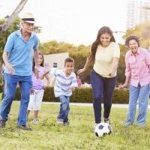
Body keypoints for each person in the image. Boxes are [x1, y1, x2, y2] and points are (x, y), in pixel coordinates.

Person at [0, 12, 39, 130]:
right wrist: (8, 65)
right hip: (11, 72)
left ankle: (22, 123)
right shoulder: (13, 36)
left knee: (26, 96)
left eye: (32, 25)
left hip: (26, 73)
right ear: (21, 24)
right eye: (28, 24)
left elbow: (36, 51)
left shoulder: (34, 38)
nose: (30, 27)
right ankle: (2, 119)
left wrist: (36, 66)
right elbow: (5, 54)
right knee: (9, 96)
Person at [78, 26, 120, 128]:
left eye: (107, 38)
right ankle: (97, 122)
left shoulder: (115, 46)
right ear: (99, 37)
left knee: (107, 100)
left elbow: (115, 61)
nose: (105, 40)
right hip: (97, 74)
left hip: (111, 76)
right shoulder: (95, 45)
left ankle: (106, 118)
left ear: (110, 37)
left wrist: (112, 71)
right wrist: (84, 69)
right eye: (102, 38)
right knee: (97, 96)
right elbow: (91, 58)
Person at [119, 35, 150, 127]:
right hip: (134, 82)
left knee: (142, 102)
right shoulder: (128, 55)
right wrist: (125, 83)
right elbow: (128, 70)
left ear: (138, 43)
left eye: (134, 43)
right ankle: (128, 122)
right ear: (128, 45)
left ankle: (140, 123)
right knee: (132, 102)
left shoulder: (145, 52)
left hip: (145, 80)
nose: (133, 45)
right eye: (131, 44)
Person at [50, 57, 78, 125]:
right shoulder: (60, 72)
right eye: (67, 66)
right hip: (59, 90)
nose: (69, 68)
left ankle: (65, 120)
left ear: (73, 67)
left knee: (67, 107)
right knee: (64, 104)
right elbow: (52, 71)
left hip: (67, 92)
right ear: (64, 66)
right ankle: (60, 119)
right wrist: (53, 69)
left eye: (71, 66)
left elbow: (74, 83)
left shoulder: (73, 75)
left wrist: (73, 87)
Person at [27, 52, 50, 124]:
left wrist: (46, 85)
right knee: (30, 104)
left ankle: (35, 119)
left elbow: (48, 79)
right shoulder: (31, 68)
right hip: (32, 89)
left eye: (41, 58)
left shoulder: (43, 69)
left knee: (37, 105)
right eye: (37, 58)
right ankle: (24, 118)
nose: (39, 60)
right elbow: (28, 79)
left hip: (40, 90)